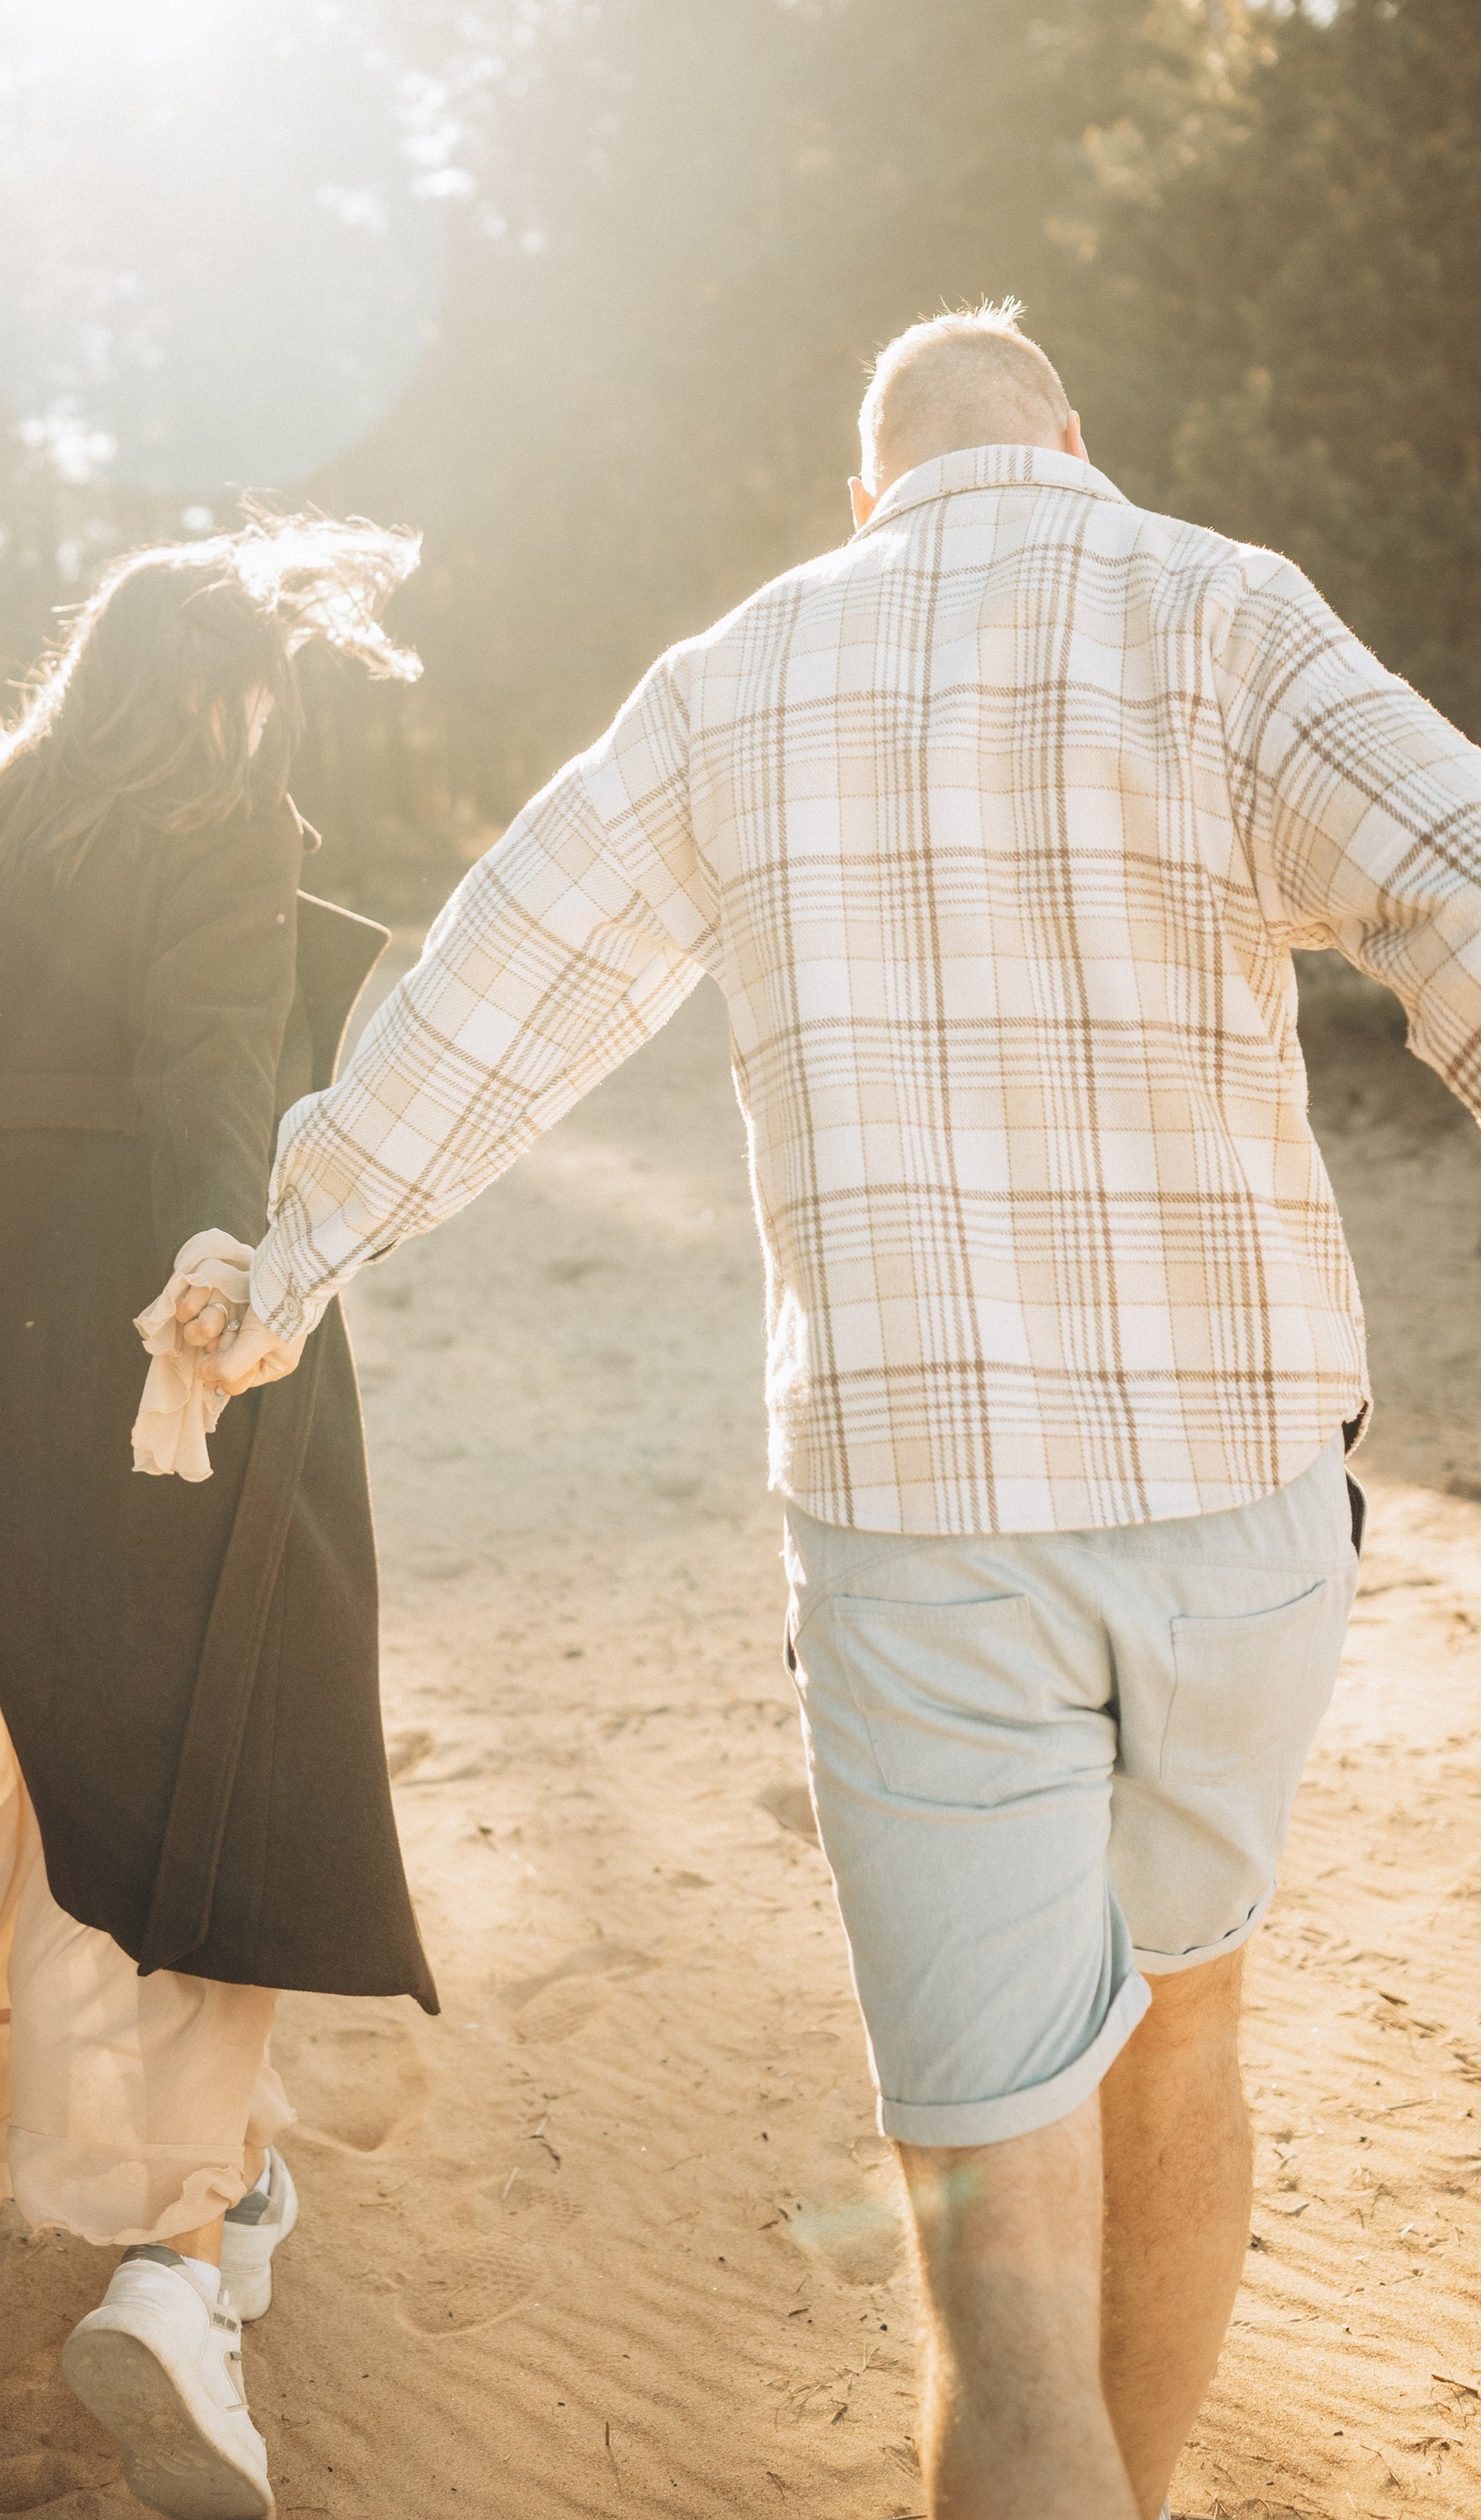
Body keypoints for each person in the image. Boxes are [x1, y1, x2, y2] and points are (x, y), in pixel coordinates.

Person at [202, 306, 1481, 2520]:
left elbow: (506, 986)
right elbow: (1458, 871)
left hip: (922, 1536)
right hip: (1242, 1508)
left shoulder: (743, 672)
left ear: (863, 493)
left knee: (999, 2275)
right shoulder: (1218, 603)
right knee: (1188, 2024)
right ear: (1070, 443)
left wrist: (282, 1261)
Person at [0, 516, 439, 2520]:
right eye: (264, 690)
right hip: (126, 1314)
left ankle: (186, 2183)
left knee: (61, 1752)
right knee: (214, 1749)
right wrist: (220, 1274)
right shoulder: (224, 816)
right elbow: (210, 1066)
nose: (274, 723)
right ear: (213, 688)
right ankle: (176, 2255)